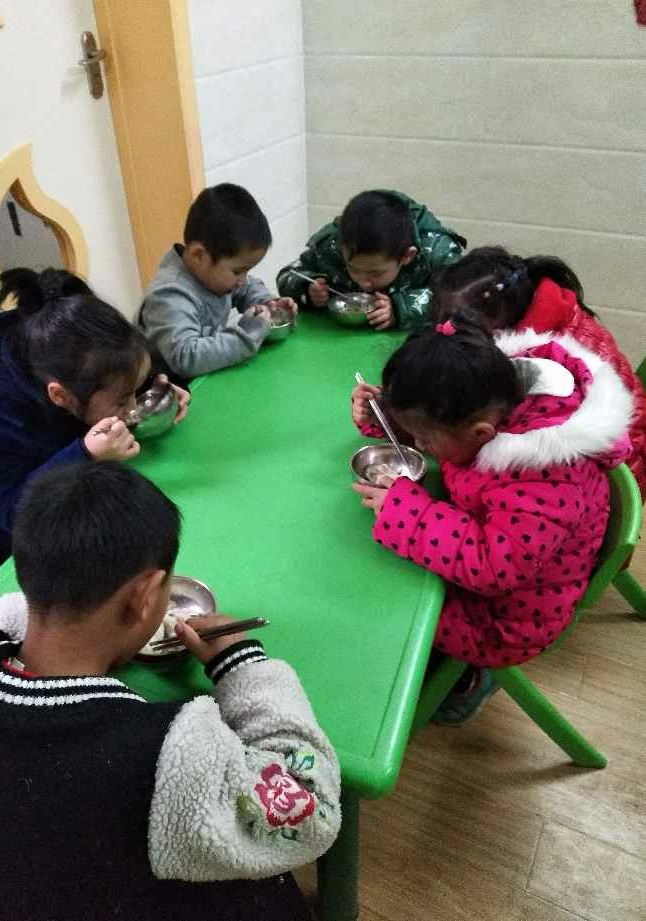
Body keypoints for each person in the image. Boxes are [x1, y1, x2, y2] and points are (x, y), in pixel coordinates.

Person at [0, 462, 341, 921]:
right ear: (145, 597)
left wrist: (78, 627)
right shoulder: (167, 757)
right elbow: (311, 810)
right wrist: (241, 663)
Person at [351, 311, 633, 723]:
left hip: (505, 618)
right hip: (495, 568)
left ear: (482, 433)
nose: (421, 445)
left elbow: (492, 565)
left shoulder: (547, 477)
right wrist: (388, 416)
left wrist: (408, 513)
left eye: (425, 438)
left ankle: (463, 681)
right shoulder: (486, 399)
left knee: (388, 605)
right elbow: (448, 432)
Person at [0, 267, 189, 573]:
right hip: (18, 548)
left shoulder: (81, 357)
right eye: (123, 400)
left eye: (134, 394)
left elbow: (126, 375)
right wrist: (84, 454)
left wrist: (161, 388)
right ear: (61, 396)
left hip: (88, 500)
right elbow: (9, 511)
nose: (133, 406)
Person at [431, 246, 646, 495]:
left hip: (614, 474)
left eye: (458, 326)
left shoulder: (555, 360)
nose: (446, 329)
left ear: (497, 330)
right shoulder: (520, 315)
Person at [138, 183, 297, 382]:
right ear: (198, 255)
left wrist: (267, 302)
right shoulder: (168, 295)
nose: (243, 280)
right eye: (238, 271)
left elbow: (246, 287)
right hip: (175, 387)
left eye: (247, 271)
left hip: (206, 378)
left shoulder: (213, 276)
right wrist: (246, 337)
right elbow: (185, 358)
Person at [276, 189, 466, 331]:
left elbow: (462, 296)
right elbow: (288, 274)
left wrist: (400, 310)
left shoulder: (436, 250)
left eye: (376, 273)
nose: (363, 282)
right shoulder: (332, 245)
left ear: (407, 256)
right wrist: (307, 290)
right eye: (352, 268)